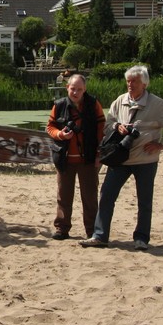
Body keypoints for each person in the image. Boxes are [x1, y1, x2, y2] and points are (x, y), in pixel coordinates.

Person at [80, 65, 163, 251]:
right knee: (106, 195)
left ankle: (141, 239)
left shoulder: (157, 105)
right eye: (128, 81)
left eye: (134, 81)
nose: (130, 85)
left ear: (144, 84)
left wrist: (162, 144)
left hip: (145, 160)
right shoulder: (119, 101)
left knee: (144, 201)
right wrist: (117, 127)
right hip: (119, 159)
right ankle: (100, 236)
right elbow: (107, 125)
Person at [46, 73, 105, 240]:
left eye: (79, 89)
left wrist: (99, 153)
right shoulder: (59, 105)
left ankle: (92, 231)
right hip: (64, 159)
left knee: (90, 197)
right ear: (67, 88)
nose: (75, 92)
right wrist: (60, 135)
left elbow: (102, 130)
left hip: (88, 159)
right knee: (63, 196)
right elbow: (50, 127)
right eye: (73, 89)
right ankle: (62, 229)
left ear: (84, 89)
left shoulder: (93, 105)